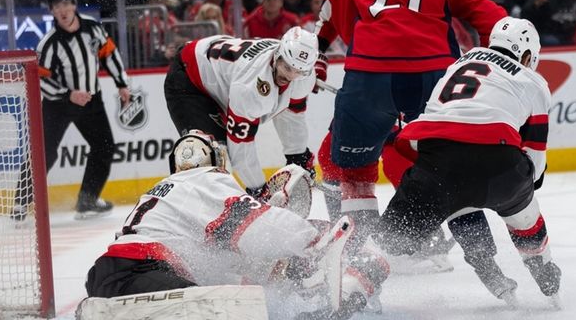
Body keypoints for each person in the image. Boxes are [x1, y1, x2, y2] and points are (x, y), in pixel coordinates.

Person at [324, 0, 508, 273]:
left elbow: (343, 24)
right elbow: (492, 19)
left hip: (371, 74)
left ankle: (358, 263)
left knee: (356, 175)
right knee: (450, 167)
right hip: (434, 75)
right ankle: (486, 262)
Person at [86, 130, 387, 317]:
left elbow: (228, 259)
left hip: (104, 276)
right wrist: (313, 240)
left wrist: (282, 270)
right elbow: (257, 223)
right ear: (214, 159)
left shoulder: (169, 194)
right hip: (144, 271)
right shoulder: (205, 180)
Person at [375, 17, 562, 303]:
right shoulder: (532, 80)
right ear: (526, 54)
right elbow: (535, 164)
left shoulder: (458, 63)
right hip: (498, 165)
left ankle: (356, 280)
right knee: (523, 210)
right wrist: (520, 192)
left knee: (393, 239)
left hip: (436, 160)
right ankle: (544, 272)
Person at [12, 0, 131, 221]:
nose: (63, 10)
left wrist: (121, 83)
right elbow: (40, 79)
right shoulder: (48, 43)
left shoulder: (92, 28)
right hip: (59, 104)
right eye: (57, 6)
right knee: (45, 152)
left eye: (66, 4)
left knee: (104, 146)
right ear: (52, 12)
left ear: (74, 5)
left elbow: (109, 53)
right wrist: (69, 94)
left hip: (91, 100)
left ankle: (87, 200)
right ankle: (20, 203)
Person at [163, 27, 318, 196]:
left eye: (299, 72)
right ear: (277, 55)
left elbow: (290, 115)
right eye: (287, 68)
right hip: (189, 80)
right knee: (212, 155)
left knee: (218, 157)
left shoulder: (304, 76)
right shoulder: (250, 87)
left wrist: (298, 154)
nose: (290, 77)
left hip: (222, 73)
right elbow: (241, 149)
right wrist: (259, 190)